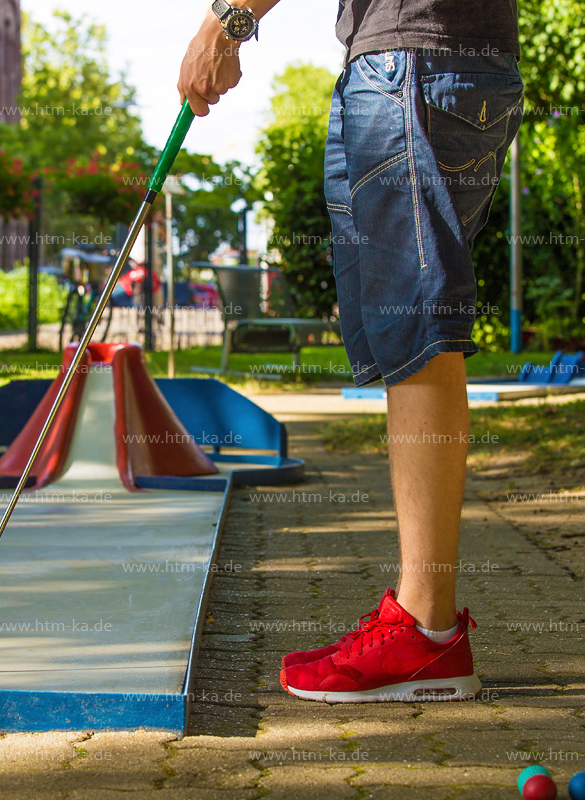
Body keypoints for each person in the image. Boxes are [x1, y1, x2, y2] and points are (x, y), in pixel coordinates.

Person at [178, 0, 523, 703]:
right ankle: (420, 617)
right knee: (406, 334)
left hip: (414, 60)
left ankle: (427, 632)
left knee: (418, 328)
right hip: (432, 59)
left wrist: (228, 20)